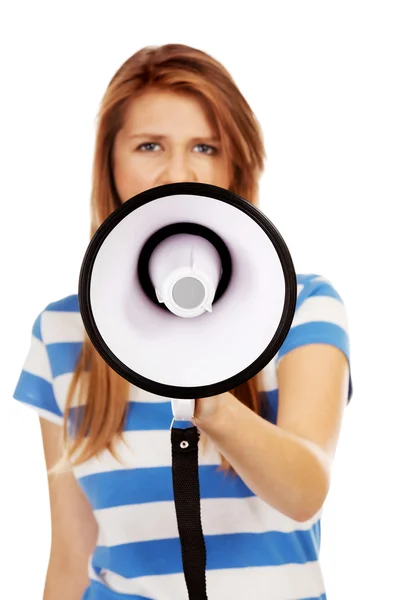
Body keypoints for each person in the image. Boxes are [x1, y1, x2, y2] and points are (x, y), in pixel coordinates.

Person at [13, 44, 352, 600]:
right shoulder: (61, 333)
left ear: (235, 161)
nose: (179, 171)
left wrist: (206, 397)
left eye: (205, 147)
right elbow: (71, 552)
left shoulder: (303, 308)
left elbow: (304, 490)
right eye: (149, 146)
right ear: (111, 163)